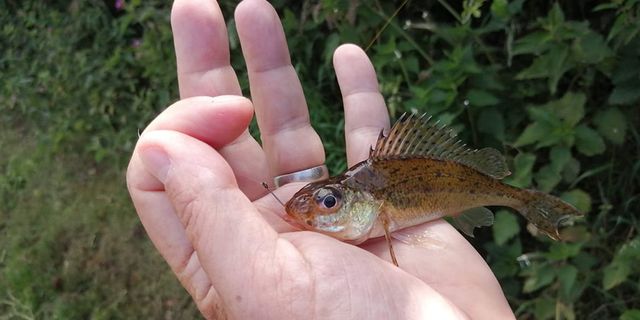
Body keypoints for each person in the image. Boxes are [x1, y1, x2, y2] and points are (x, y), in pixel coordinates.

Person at [126, 0, 516, 318]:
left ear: (375, 204)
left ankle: (524, 199)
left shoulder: (383, 206)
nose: (320, 209)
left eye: (329, 201)